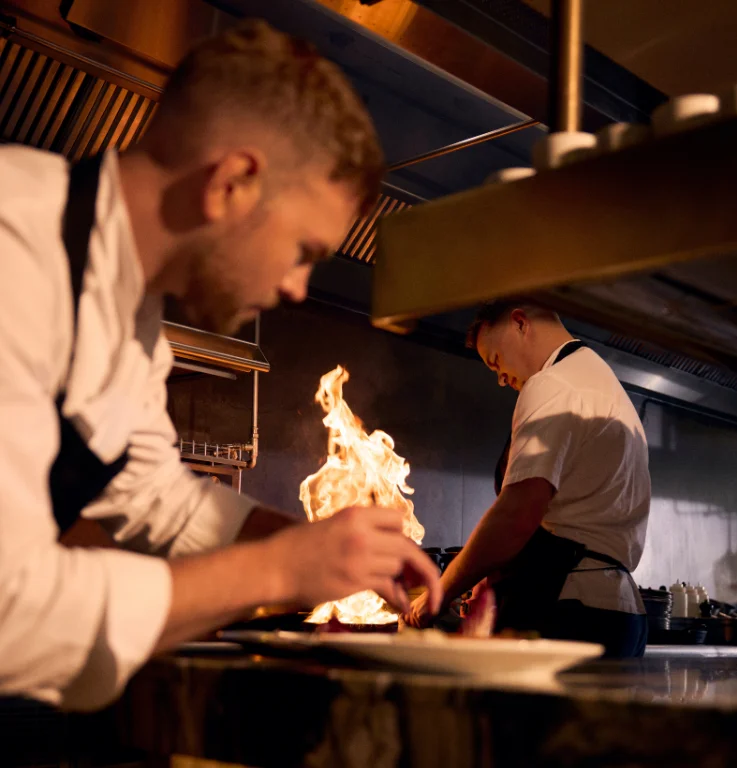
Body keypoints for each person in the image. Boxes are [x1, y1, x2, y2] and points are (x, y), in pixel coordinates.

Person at [0, 20, 441, 711]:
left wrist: (322, 551)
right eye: (303, 251)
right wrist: (278, 571)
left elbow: (158, 499)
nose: (297, 288)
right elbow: (10, 610)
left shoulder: (131, 319)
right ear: (232, 182)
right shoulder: (14, 243)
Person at [406, 302, 650, 657]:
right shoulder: (602, 383)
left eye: (496, 361)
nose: (501, 378)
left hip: (569, 611)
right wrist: (493, 574)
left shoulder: (552, 384)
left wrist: (440, 591)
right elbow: (571, 515)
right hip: (620, 613)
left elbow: (517, 515)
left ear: (520, 322)